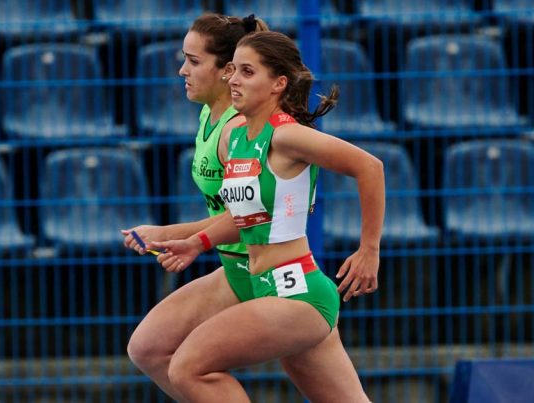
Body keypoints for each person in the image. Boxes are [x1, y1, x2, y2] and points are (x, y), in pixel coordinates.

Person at [148, 30, 385, 403]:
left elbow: (369, 167)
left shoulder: (287, 136)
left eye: (247, 71)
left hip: (298, 294)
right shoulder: (237, 136)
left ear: (278, 84)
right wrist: (197, 242)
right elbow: (247, 216)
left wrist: (368, 250)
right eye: (232, 70)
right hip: (264, 285)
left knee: (188, 367)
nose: (233, 80)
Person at [121, 13, 268, 401]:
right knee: (148, 348)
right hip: (235, 270)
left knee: (185, 365)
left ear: (227, 71)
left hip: (264, 275)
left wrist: (171, 234)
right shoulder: (208, 114)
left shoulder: (237, 130)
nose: (182, 70)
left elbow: (249, 215)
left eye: (194, 61)